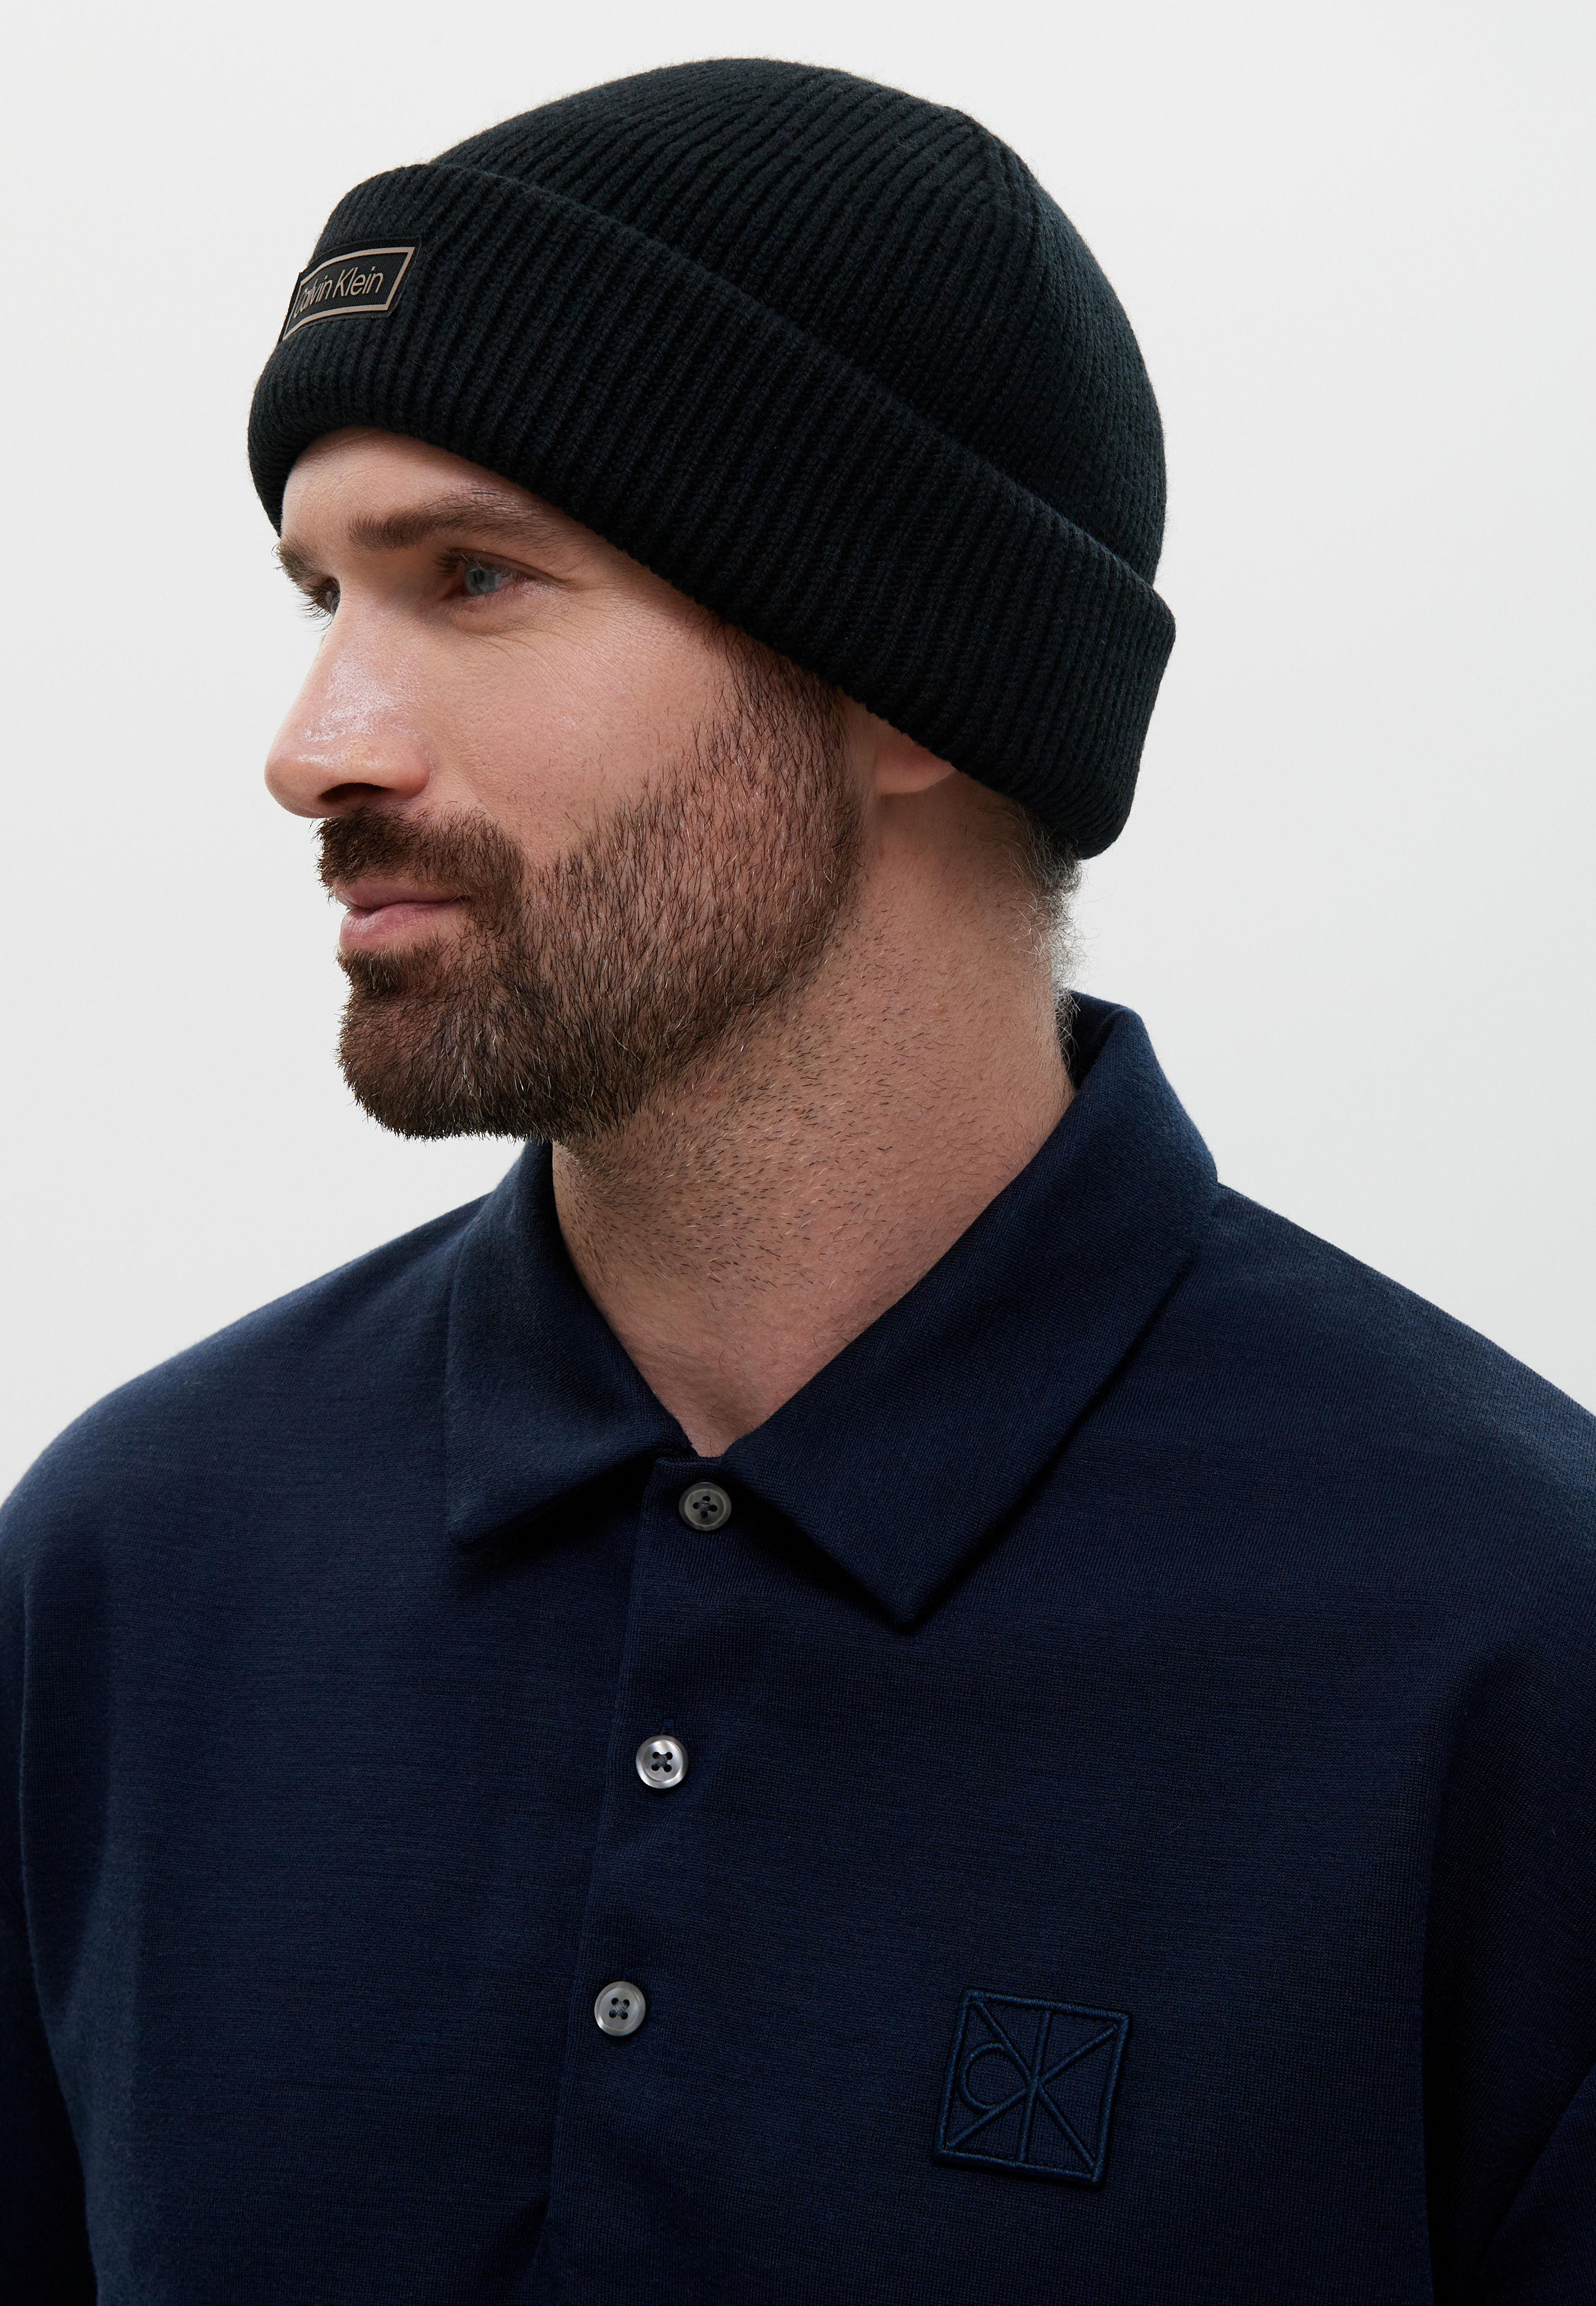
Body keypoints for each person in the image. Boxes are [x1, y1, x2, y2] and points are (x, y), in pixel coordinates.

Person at [2, 57, 1591, 2306]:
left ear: (907, 665)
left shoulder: (1508, 1644)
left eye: (474, 577)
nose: (314, 743)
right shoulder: (125, 1570)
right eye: (320, 594)